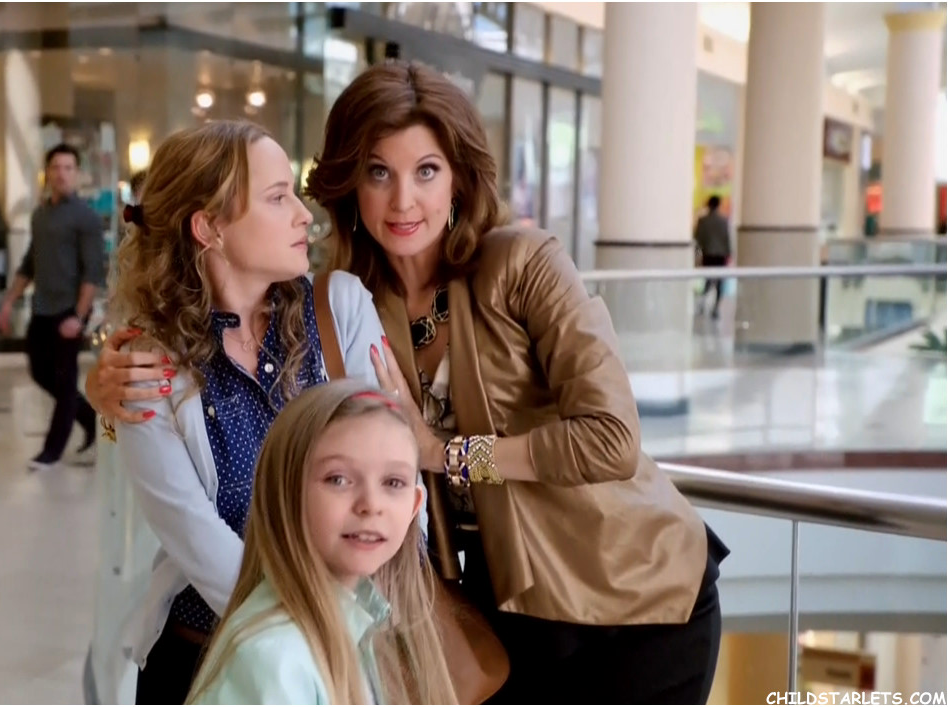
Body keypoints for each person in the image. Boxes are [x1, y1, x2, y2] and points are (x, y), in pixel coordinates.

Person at [91, 60, 728, 705]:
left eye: (426, 171)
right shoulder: (353, 298)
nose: (402, 201)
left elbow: (611, 439)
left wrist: (442, 453)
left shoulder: (522, 265)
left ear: (458, 179)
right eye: (378, 172)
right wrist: (105, 396)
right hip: (502, 602)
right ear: (350, 183)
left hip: (627, 588)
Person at [81, 120, 397, 706]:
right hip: (210, 662)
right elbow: (194, 535)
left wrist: (348, 631)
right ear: (210, 227)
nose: (304, 216)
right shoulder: (147, 362)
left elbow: (392, 472)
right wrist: (303, 634)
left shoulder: (341, 308)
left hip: (348, 650)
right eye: (278, 198)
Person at [186, 379, 455, 705]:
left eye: (393, 482)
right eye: (338, 479)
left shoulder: (358, 620)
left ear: (414, 506)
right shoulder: (273, 661)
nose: (371, 504)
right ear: (285, 494)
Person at [0, 144, 102, 471]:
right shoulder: (40, 215)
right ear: (47, 173)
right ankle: (90, 418)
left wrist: (79, 317)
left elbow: (93, 272)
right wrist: (9, 301)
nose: (62, 174)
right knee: (40, 372)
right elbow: (30, 263)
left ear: (77, 173)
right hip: (42, 309)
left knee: (65, 380)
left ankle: (51, 451)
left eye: (68, 168)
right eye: (56, 167)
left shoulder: (86, 218)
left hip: (69, 311)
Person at [694, 194, 732, 319]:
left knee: (708, 280)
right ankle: (716, 308)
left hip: (708, 254)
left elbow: (698, 239)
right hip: (721, 255)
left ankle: (702, 305)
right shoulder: (724, 221)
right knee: (720, 282)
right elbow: (727, 239)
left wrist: (698, 255)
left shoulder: (703, 221)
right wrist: (728, 254)